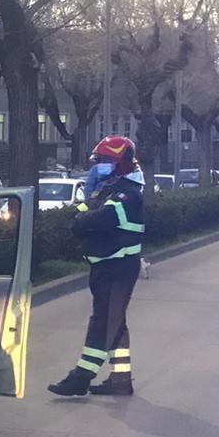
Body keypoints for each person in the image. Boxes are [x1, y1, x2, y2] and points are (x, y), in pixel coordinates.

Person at [48, 134, 146, 397]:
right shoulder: (109, 189)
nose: (99, 166)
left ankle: (81, 376)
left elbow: (98, 219)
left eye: (105, 161)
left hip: (118, 269)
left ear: (121, 163)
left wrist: (82, 219)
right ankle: (120, 380)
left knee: (102, 322)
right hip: (106, 267)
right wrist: (83, 211)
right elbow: (82, 211)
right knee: (115, 322)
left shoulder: (127, 194)